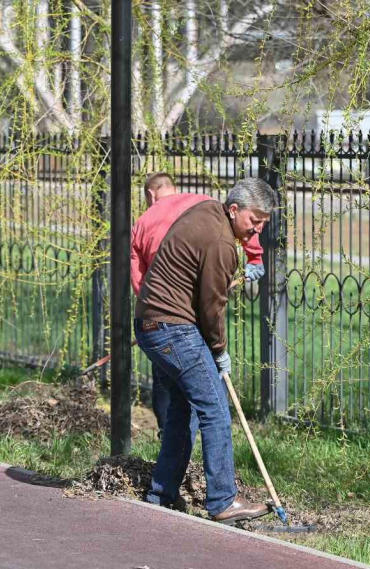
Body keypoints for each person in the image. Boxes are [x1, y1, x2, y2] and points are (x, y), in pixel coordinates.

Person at [134, 177, 277, 524]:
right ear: (234, 209)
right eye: (253, 221)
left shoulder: (206, 213)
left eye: (262, 224)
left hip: (152, 323)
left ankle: (161, 492)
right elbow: (212, 305)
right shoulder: (221, 241)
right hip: (172, 327)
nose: (255, 231)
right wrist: (218, 349)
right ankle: (223, 501)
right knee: (214, 407)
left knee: (184, 408)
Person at [131, 172, 265, 436]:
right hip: (190, 317)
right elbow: (248, 225)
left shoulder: (144, 221)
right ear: (174, 187)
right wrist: (255, 259)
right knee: (204, 398)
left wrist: (156, 311)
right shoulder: (201, 203)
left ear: (150, 194)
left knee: (173, 386)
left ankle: (167, 438)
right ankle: (181, 452)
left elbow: (140, 281)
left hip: (162, 318)